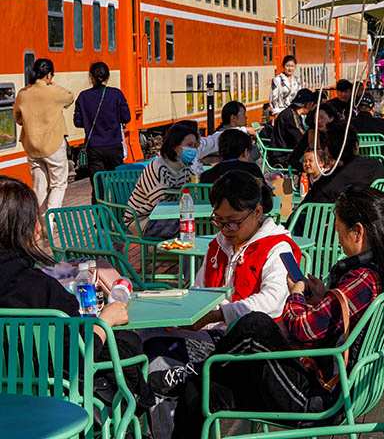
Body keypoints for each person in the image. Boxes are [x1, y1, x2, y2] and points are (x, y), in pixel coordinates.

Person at [169, 186, 384, 439]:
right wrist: (324, 296)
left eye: (338, 232)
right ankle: (195, 375)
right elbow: (339, 321)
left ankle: (196, 369)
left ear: (357, 232)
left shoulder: (363, 278)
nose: (337, 240)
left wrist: (297, 293)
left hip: (318, 397)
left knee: (254, 326)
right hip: (342, 386)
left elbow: (302, 329)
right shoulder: (381, 273)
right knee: (201, 392)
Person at [0, 176, 156, 415]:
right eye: (35, 220)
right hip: (56, 404)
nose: (41, 228)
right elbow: (78, 360)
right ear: (18, 228)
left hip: (8, 403)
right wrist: (105, 321)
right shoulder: (40, 290)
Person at [144, 171, 302, 396]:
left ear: (257, 212)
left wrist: (219, 315)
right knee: (145, 337)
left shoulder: (278, 247)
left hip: (249, 351)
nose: (226, 229)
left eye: (233, 222)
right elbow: (199, 291)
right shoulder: (218, 245)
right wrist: (181, 317)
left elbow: (274, 301)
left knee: (157, 355)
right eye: (219, 220)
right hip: (213, 335)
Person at [293, 122, 384, 221]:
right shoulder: (377, 165)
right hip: (380, 223)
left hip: (334, 232)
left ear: (328, 151)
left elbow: (303, 209)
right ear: (356, 145)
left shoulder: (329, 182)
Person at [13, 58, 74, 211]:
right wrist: (53, 85)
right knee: (58, 183)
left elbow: (18, 119)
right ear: (48, 75)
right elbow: (70, 97)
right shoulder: (54, 92)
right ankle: (51, 218)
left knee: (40, 186)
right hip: (53, 145)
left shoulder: (23, 93)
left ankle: (39, 223)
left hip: (32, 147)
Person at [124, 123, 200, 238]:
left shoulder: (184, 167)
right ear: (175, 146)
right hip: (144, 220)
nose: (193, 150)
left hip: (168, 216)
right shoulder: (158, 166)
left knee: (197, 224)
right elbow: (161, 204)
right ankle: (187, 255)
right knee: (191, 225)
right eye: (189, 145)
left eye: (195, 146)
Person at [73, 62, 131, 203]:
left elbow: (77, 122)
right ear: (108, 77)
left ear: (91, 77)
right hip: (114, 147)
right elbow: (127, 117)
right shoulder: (116, 94)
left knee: (98, 188)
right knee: (118, 184)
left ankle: (100, 221)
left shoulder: (83, 96)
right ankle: (119, 217)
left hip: (94, 148)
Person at [270, 89, 318, 167]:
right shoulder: (290, 116)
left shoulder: (289, 112)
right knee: (315, 163)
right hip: (283, 156)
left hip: (282, 153)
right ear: (307, 104)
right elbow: (300, 138)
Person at [199, 130, 265, 184]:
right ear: (245, 152)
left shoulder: (207, 175)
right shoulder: (252, 170)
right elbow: (267, 194)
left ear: (220, 152)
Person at [288, 103, 333, 173]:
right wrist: (308, 170)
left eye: (322, 117)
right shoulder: (311, 134)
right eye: (316, 118)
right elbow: (293, 159)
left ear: (331, 118)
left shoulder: (339, 134)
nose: (319, 121)